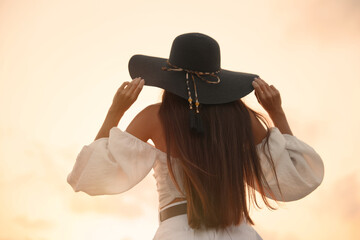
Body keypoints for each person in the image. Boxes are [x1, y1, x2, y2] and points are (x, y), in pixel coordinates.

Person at [67, 33, 324, 239]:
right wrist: (276, 113)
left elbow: (91, 174)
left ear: (169, 77)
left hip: (176, 232)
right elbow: (298, 175)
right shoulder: (242, 119)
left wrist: (115, 111)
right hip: (238, 232)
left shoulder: (154, 117)